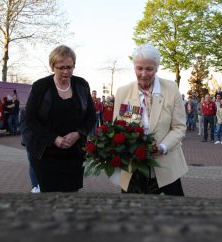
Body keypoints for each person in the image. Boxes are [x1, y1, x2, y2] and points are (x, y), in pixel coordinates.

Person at [112, 43, 187, 196]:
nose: (144, 74)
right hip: (133, 168)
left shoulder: (171, 89)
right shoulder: (123, 92)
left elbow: (179, 127)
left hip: (166, 169)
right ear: (134, 67)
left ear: (157, 68)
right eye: (139, 68)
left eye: (149, 69)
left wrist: (163, 147)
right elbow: (117, 128)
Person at [25, 45, 96, 193]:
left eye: (69, 67)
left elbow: (91, 116)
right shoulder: (41, 86)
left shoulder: (81, 85)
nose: (66, 71)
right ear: (52, 67)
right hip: (46, 153)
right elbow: (30, 119)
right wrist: (53, 138)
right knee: (49, 195)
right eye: (61, 67)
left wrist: (78, 134)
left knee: (71, 194)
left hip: (74, 153)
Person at [19, 107, 40, 193]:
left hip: (45, 141)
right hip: (31, 142)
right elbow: (24, 129)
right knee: (33, 164)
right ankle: (35, 186)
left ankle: (41, 185)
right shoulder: (25, 110)